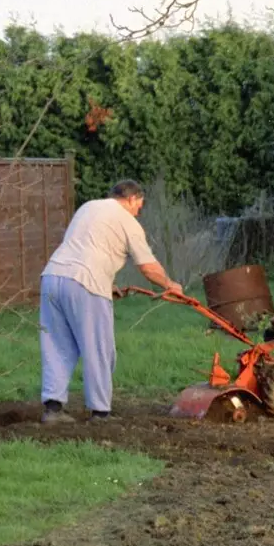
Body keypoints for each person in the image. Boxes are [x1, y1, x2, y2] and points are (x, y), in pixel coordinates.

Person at [38, 180, 184, 424]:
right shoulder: (128, 222)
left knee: (56, 345)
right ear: (131, 199)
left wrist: (108, 285)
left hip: (53, 277)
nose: (139, 210)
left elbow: (84, 248)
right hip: (86, 282)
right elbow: (147, 266)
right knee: (98, 347)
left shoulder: (88, 207)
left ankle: (52, 410)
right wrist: (170, 284)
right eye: (140, 205)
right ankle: (100, 412)